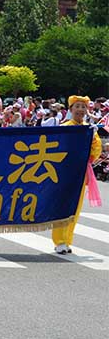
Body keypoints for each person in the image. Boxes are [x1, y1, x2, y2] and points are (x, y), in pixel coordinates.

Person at [52, 95, 102, 254]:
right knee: (63, 206)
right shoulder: (65, 127)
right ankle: (59, 240)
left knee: (75, 207)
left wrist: (93, 141)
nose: (80, 110)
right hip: (65, 172)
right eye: (77, 106)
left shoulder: (89, 129)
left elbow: (96, 152)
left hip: (81, 173)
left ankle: (67, 241)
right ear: (71, 109)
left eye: (83, 107)